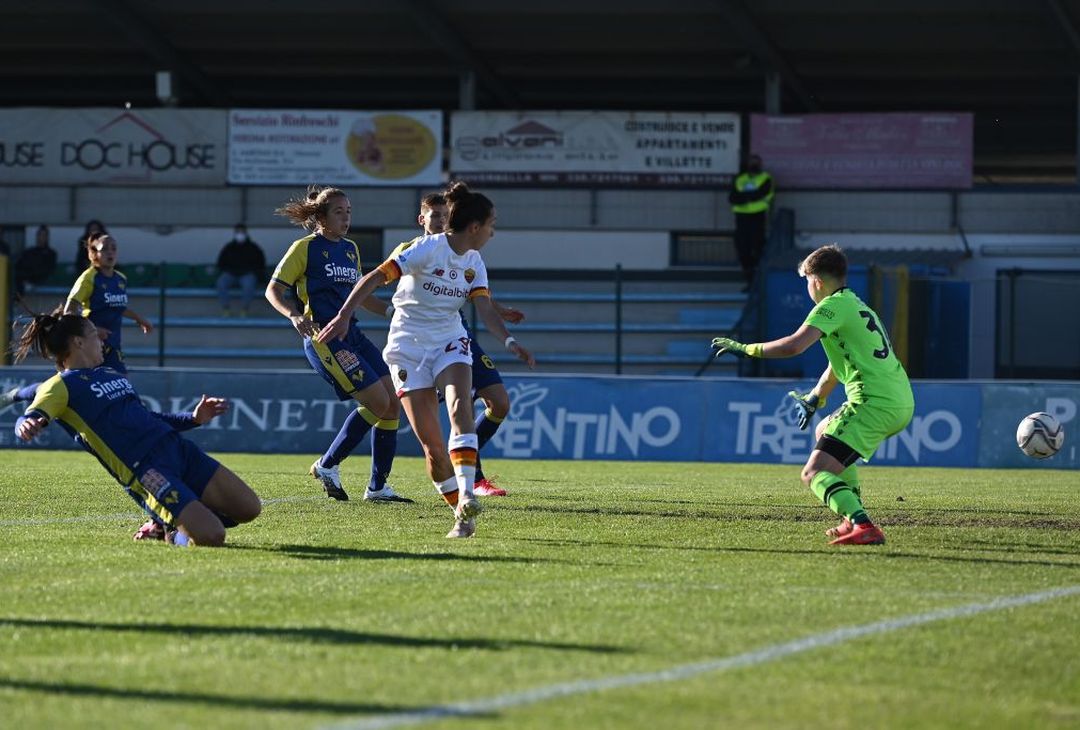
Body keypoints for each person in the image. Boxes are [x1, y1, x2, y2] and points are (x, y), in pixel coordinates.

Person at [317, 181, 535, 538]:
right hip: (407, 347)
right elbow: (373, 277)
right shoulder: (424, 249)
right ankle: (461, 514)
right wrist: (343, 316)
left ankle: (467, 492)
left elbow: (484, 307)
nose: (494, 232)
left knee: (459, 407)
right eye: (492, 224)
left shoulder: (475, 262)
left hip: (450, 340)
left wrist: (510, 341)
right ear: (475, 226)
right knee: (433, 448)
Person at [710, 243, 913, 546]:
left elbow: (794, 345)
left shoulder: (830, 307)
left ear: (815, 280)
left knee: (813, 473)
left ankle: (863, 524)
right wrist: (816, 397)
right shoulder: (857, 305)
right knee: (824, 428)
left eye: (807, 281)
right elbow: (838, 364)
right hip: (898, 399)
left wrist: (746, 349)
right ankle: (849, 518)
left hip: (873, 403)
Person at [13, 308, 261, 546]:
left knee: (250, 509)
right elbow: (30, 415)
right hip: (147, 471)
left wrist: (193, 418)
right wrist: (25, 424)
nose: (101, 339)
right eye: (94, 334)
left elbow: (148, 418)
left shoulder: (110, 373)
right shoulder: (59, 387)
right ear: (78, 342)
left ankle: (174, 517)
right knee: (212, 536)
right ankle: (171, 531)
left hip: (178, 449)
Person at [265, 185, 410, 504]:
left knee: (392, 403)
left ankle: (378, 488)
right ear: (321, 216)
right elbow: (273, 290)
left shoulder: (350, 249)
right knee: (377, 401)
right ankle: (327, 464)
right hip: (324, 338)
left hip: (352, 334)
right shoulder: (304, 248)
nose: (346, 218)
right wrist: (293, 315)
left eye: (349, 212)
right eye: (339, 212)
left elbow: (358, 295)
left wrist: (390, 311)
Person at [390, 193, 525, 497]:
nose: (441, 221)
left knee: (493, 403)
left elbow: (475, 291)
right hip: (415, 343)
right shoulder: (413, 251)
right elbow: (381, 284)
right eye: (434, 216)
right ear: (421, 220)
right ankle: (467, 484)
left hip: (453, 336)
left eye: (444, 214)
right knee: (443, 428)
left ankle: (470, 478)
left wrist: (501, 315)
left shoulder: (468, 255)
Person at [66, 232, 153, 373]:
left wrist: (140, 319)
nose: (110, 252)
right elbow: (69, 311)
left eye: (113, 248)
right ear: (95, 253)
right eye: (105, 249)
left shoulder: (121, 279)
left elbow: (117, 308)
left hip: (113, 345)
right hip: (90, 346)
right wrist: (93, 331)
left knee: (120, 383)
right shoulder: (89, 278)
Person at [728, 154, 774, 287]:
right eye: (751, 163)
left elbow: (761, 194)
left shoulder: (765, 178)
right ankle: (749, 281)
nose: (753, 165)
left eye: (756, 163)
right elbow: (732, 198)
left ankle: (758, 281)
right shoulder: (740, 179)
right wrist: (750, 196)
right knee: (743, 250)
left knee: (758, 249)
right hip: (741, 219)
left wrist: (744, 197)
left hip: (758, 217)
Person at [216, 223, 266, 317]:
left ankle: (244, 309)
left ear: (246, 233)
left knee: (249, 284)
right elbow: (221, 263)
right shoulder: (229, 247)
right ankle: (226, 309)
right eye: (238, 232)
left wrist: (254, 272)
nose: (240, 234)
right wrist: (227, 270)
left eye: (242, 232)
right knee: (221, 283)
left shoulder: (253, 248)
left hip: (247, 274)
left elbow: (260, 264)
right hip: (231, 273)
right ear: (235, 233)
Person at [14, 225, 58, 299]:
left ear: (47, 237)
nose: (41, 238)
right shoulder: (29, 252)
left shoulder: (51, 254)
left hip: (42, 284)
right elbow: (20, 267)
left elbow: (48, 270)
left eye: (44, 235)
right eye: (40, 235)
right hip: (26, 285)